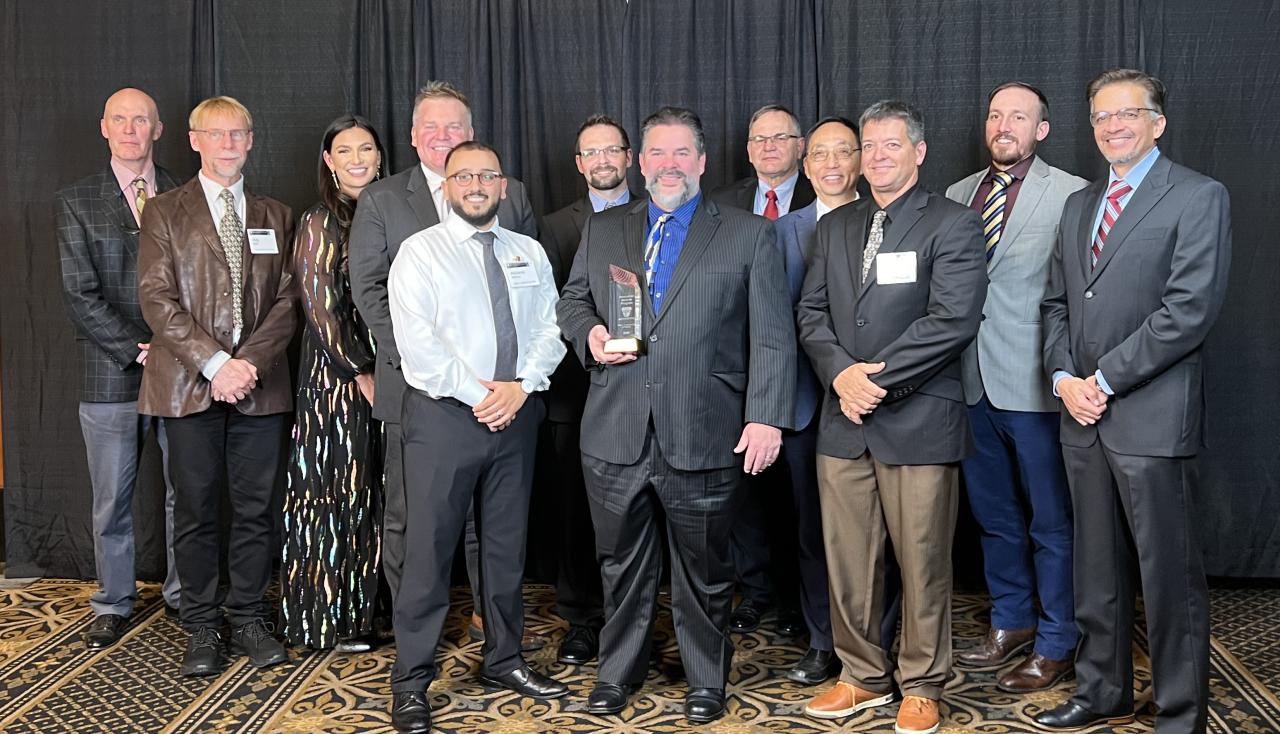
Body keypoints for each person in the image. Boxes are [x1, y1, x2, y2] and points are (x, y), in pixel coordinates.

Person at [558, 106, 795, 724]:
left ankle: (705, 679)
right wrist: (590, 335)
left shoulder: (747, 233)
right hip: (616, 429)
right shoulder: (605, 229)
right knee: (620, 566)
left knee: (706, 570)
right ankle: (617, 673)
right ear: (640, 162)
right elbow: (574, 301)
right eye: (658, 153)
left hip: (705, 428)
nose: (670, 165)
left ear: (703, 161)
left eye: (682, 153)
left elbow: (773, 335)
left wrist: (766, 417)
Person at [1033, 68, 1231, 734]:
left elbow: (1188, 311)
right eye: (1102, 116)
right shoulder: (1078, 205)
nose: (1113, 125)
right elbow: (1056, 303)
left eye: (1128, 113)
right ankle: (1102, 692)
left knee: (1168, 578)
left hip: (1150, 418)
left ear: (1158, 122)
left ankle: (1180, 713)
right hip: (1081, 417)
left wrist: (1104, 380)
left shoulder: (1198, 196)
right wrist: (1063, 378)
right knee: (1095, 571)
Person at [796, 100, 986, 734]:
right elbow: (811, 313)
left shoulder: (954, 224)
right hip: (843, 420)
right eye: (869, 146)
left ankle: (923, 682)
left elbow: (951, 321)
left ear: (919, 152)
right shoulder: (836, 226)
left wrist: (872, 381)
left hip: (918, 419)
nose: (877, 157)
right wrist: (840, 375)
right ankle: (862, 675)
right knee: (848, 559)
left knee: (923, 559)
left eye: (891, 145)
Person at [349, 82, 540, 648]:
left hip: (501, 394)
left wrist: (507, 381)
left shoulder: (512, 193)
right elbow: (368, 290)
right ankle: (416, 634)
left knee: (493, 521)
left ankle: (490, 623)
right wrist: (425, 364)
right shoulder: (383, 199)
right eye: (430, 126)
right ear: (413, 137)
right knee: (412, 518)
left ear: (471, 133)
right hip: (419, 392)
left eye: (453, 125)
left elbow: (528, 290)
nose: (442, 135)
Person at [385, 141, 567, 734]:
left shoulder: (527, 251)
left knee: (505, 549)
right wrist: (483, 396)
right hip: (445, 418)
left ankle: (504, 660)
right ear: (447, 187)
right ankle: (411, 681)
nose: (476, 185)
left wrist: (522, 387)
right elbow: (418, 347)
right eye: (463, 176)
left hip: (515, 416)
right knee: (429, 553)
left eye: (487, 175)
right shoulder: (420, 253)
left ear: (503, 186)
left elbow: (550, 328)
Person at [137, 95, 296, 677]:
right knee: (196, 510)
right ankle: (202, 623)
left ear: (250, 141)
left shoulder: (278, 215)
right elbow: (157, 298)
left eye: (238, 134)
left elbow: (289, 299)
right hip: (187, 385)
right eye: (216, 133)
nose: (228, 144)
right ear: (194, 140)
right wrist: (215, 364)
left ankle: (249, 615)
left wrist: (247, 363)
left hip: (260, 385)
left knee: (256, 510)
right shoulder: (163, 212)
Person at [944, 82, 1086, 691]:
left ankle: (1057, 639)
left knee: (1050, 521)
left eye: (1018, 117)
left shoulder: (1073, 193)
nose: (1004, 125)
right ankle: (1012, 620)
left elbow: (1078, 294)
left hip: (1036, 384)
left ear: (1041, 129)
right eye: (996, 115)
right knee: (994, 516)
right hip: (968, 381)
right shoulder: (957, 194)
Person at [54, 87, 183, 648]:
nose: (131, 129)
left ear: (158, 129)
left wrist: (175, 346)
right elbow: (79, 294)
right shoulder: (75, 201)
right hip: (111, 372)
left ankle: (185, 595)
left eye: (141, 120)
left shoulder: (187, 192)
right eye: (120, 120)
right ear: (104, 127)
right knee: (111, 499)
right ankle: (113, 601)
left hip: (181, 370)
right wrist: (138, 347)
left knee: (187, 493)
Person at [537, 113, 642, 665]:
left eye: (611, 150)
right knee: (576, 511)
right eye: (591, 152)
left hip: (646, 388)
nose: (602, 160)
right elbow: (549, 305)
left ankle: (643, 617)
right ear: (579, 164)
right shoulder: (554, 226)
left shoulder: (659, 214)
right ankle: (582, 618)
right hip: (577, 390)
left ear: (629, 158)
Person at [281, 114, 387, 652]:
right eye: (344, 151)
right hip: (338, 378)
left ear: (380, 156)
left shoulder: (390, 212)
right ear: (329, 161)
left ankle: (371, 610)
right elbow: (320, 307)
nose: (356, 159)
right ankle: (327, 618)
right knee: (336, 491)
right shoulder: (320, 220)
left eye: (365, 148)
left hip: (391, 370)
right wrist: (360, 369)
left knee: (376, 494)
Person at [771, 115, 861, 685]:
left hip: (871, 400)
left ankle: (874, 640)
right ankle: (823, 639)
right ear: (806, 166)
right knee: (813, 531)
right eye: (820, 154)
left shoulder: (883, 222)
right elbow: (771, 323)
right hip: (806, 404)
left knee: (873, 532)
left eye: (843, 152)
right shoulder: (782, 232)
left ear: (860, 160)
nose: (831, 164)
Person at [711, 103, 815, 219]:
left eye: (780, 138)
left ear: (799, 147)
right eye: (759, 139)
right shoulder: (721, 201)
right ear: (749, 151)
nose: (769, 147)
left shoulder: (819, 197)